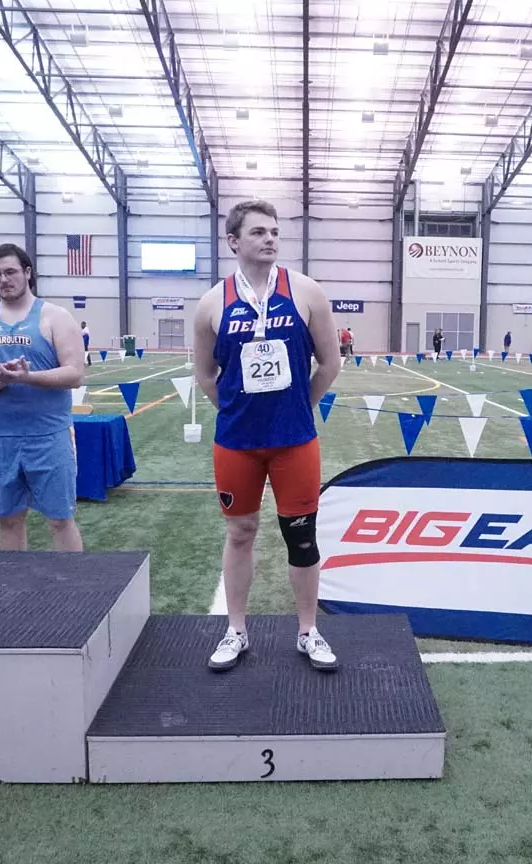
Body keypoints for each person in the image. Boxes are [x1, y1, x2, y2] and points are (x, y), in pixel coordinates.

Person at [192, 199, 342, 672]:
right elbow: (205, 374)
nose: (270, 239)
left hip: (295, 440)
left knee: (302, 537)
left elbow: (330, 363)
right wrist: (236, 412)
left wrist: (300, 407)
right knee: (240, 532)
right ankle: (236, 630)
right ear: (233, 241)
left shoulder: (307, 292)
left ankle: (308, 630)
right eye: (258, 232)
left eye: (274, 231)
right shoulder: (212, 303)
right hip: (236, 442)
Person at [0, 243, 85, 552]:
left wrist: (27, 377)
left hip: (48, 436)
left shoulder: (55, 317)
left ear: (27, 273)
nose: (4, 279)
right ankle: (14, 583)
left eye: (10, 271)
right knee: (9, 521)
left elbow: (74, 373)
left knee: (60, 520)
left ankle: (74, 583)